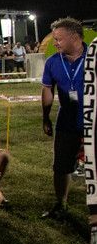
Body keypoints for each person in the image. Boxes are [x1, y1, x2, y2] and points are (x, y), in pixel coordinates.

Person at [41, 17, 86, 219]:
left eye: (59, 39)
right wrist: (45, 117)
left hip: (93, 122)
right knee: (61, 166)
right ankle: (61, 204)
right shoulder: (52, 61)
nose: (55, 43)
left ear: (74, 37)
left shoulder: (93, 58)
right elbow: (47, 89)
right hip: (66, 122)